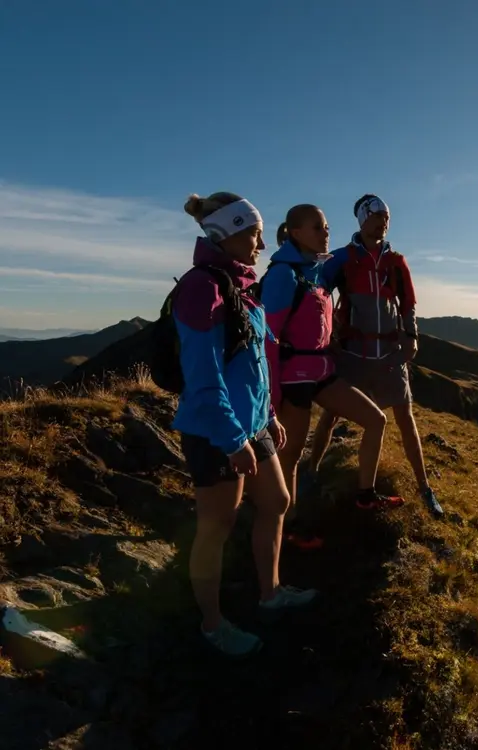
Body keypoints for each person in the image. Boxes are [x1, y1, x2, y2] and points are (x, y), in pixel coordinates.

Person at [172, 192, 316, 658]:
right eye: (253, 234)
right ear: (224, 234)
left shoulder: (238, 285)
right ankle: (211, 625)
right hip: (215, 431)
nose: (260, 243)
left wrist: (268, 417)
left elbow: (250, 365)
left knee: (276, 500)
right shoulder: (202, 288)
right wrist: (234, 439)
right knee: (216, 525)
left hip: (250, 425)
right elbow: (204, 377)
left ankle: (270, 593)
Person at [258, 204, 397, 527]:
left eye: (326, 228)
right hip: (293, 378)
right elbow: (267, 339)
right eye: (318, 228)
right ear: (295, 233)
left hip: (320, 372)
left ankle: (365, 495)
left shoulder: (319, 269)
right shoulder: (283, 274)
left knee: (375, 420)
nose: (326, 234)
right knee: (290, 456)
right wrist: (271, 400)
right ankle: (287, 527)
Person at [308, 194, 443, 517]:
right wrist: (324, 339)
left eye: (387, 217)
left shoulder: (396, 262)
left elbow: (408, 303)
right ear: (362, 220)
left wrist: (411, 336)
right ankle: (309, 472)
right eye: (377, 216)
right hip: (352, 353)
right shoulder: (341, 259)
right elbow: (319, 298)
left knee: (405, 418)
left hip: (389, 353)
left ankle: (424, 486)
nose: (383, 221)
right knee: (331, 415)